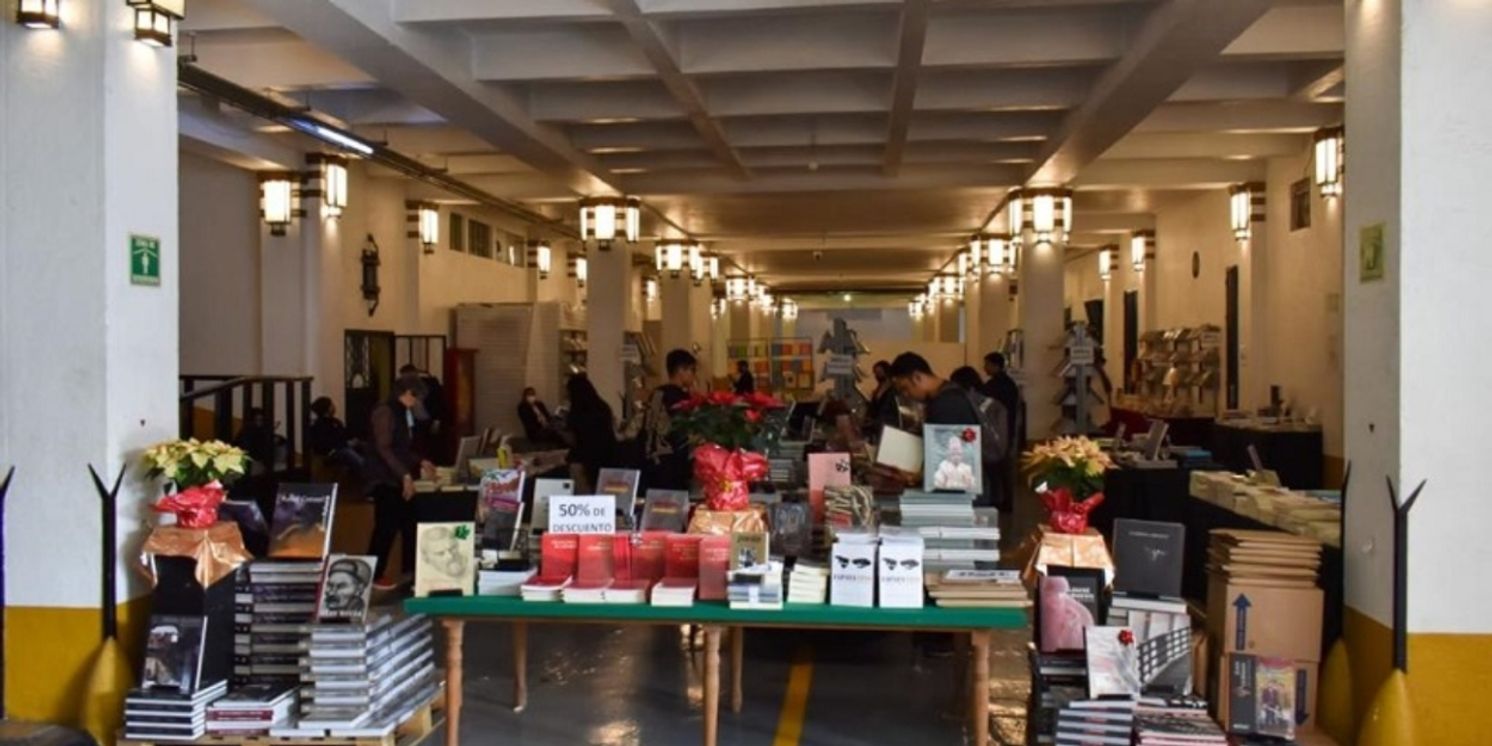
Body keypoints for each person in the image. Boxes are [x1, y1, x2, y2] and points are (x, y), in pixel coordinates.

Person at [889, 352, 1009, 509]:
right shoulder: (952, 393)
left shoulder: (946, 404)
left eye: (905, 388)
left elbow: (954, 460)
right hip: (970, 490)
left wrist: (919, 477)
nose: (907, 395)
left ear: (917, 377)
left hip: (960, 497)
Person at [361, 376, 431, 588]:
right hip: (384, 478)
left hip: (397, 476)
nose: (417, 403)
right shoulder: (385, 411)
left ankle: (411, 572)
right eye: (416, 398)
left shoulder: (402, 411)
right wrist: (405, 475)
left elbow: (402, 448)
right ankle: (373, 574)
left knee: (410, 523)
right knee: (386, 526)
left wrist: (420, 461)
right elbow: (384, 447)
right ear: (408, 393)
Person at [643, 349, 698, 491]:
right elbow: (686, 432)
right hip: (674, 463)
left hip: (651, 459)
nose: (693, 375)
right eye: (691, 370)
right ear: (681, 370)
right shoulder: (681, 398)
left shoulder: (656, 393)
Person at [564, 373, 618, 492]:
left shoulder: (576, 412)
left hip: (582, 460)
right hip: (605, 458)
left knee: (585, 499)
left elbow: (573, 439)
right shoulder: (603, 407)